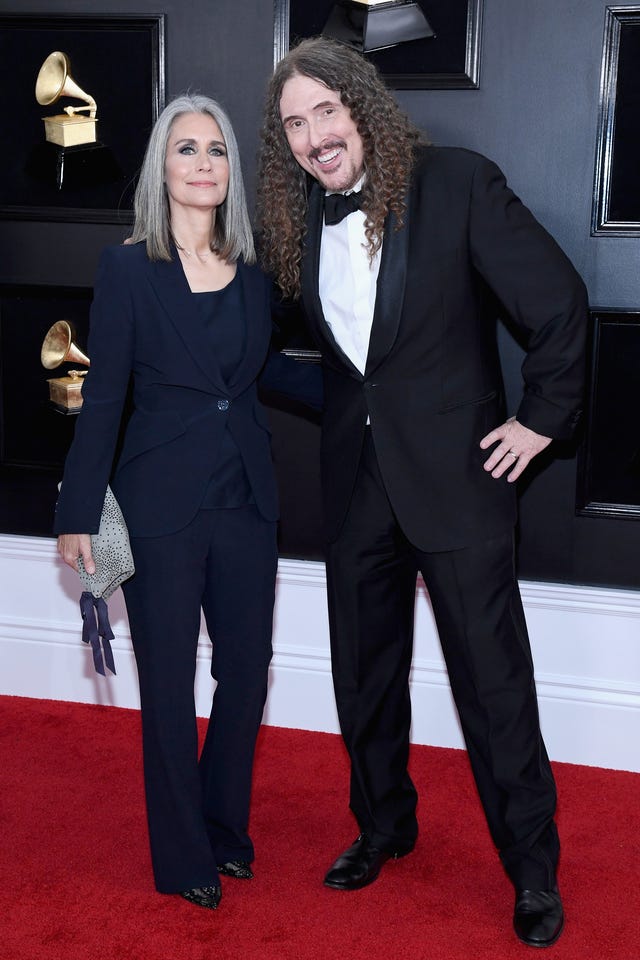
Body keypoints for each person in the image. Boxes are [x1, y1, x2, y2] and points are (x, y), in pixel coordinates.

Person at [256, 37, 588, 948]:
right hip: (357, 482)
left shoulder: (457, 183)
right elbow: (333, 362)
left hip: (461, 480)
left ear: (361, 105)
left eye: (325, 109)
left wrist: (541, 421)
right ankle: (383, 827)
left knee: (493, 686)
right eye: (294, 123)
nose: (315, 134)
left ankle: (532, 871)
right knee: (363, 676)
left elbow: (558, 304)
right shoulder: (296, 226)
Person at [55, 94, 321, 910]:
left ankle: (225, 830)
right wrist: (76, 510)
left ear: (229, 171)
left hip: (246, 498)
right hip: (159, 503)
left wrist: (374, 396)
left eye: (216, 150)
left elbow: (261, 374)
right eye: (186, 149)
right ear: (162, 170)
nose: (203, 162)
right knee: (167, 684)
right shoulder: (128, 268)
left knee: (247, 674)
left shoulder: (254, 273)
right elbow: (104, 399)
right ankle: (182, 858)